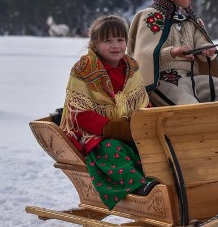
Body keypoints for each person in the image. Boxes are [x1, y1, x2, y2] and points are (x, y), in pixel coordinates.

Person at [59, 15, 155, 210]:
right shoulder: (84, 69)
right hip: (95, 133)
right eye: (107, 41)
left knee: (152, 147)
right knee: (111, 149)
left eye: (120, 40)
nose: (115, 46)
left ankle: (160, 182)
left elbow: (141, 101)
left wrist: (146, 123)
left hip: (129, 128)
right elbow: (78, 112)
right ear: (95, 44)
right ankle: (137, 186)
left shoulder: (131, 67)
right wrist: (111, 127)